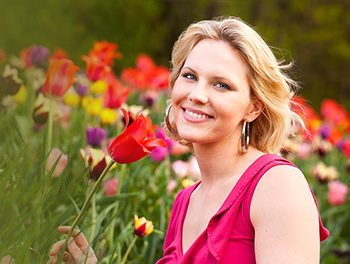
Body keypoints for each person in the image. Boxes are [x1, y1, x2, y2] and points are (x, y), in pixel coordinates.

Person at [49, 16, 329, 263]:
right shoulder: (184, 203)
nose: (197, 94)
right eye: (190, 76)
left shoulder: (276, 185)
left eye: (221, 84)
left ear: (254, 107)